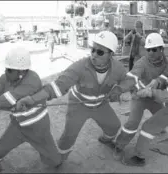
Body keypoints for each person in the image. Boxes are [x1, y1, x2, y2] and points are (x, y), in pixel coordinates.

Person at [16, 31, 132, 161]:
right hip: (78, 106)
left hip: (101, 105)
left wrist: (122, 90)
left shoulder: (118, 68)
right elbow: (57, 86)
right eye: (93, 49)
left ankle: (106, 139)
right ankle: (59, 158)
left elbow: (127, 80)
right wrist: (32, 99)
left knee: (114, 126)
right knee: (69, 136)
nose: (93, 55)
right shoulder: (80, 66)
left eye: (100, 52)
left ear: (111, 54)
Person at [119, 32, 168, 167]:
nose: (151, 52)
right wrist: (155, 82)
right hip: (143, 97)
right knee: (135, 122)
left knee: (149, 126)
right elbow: (163, 77)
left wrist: (150, 92)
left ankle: (139, 158)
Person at [113, 33, 168, 153]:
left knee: (165, 117)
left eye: (154, 49)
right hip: (139, 98)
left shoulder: (167, 64)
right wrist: (120, 90)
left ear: (161, 49)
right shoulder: (142, 63)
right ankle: (119, 145)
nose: (150, 53)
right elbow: (131, 77)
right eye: (148, 49)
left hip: (154, 98)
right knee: (132, 123)